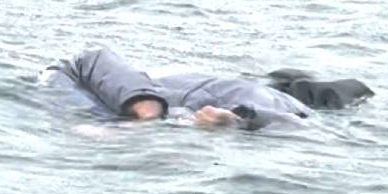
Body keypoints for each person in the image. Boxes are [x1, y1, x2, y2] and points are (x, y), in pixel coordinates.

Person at [43, 47, 318, 129]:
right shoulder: (274, 97)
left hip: (164, 108)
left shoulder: (271, 95)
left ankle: (138, 115)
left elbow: (88, 58)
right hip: (179, 110)